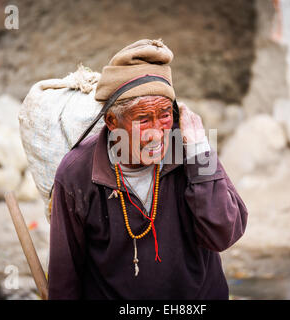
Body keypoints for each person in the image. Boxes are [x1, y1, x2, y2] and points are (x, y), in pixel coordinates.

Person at [48, 39, 248, 299]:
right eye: (143, 119)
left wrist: (201, 153)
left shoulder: (192, 149)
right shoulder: (77, 172)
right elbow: (65, 273)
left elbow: (224, 234)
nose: (157, 134)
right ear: (112, 121)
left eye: (164, 115)